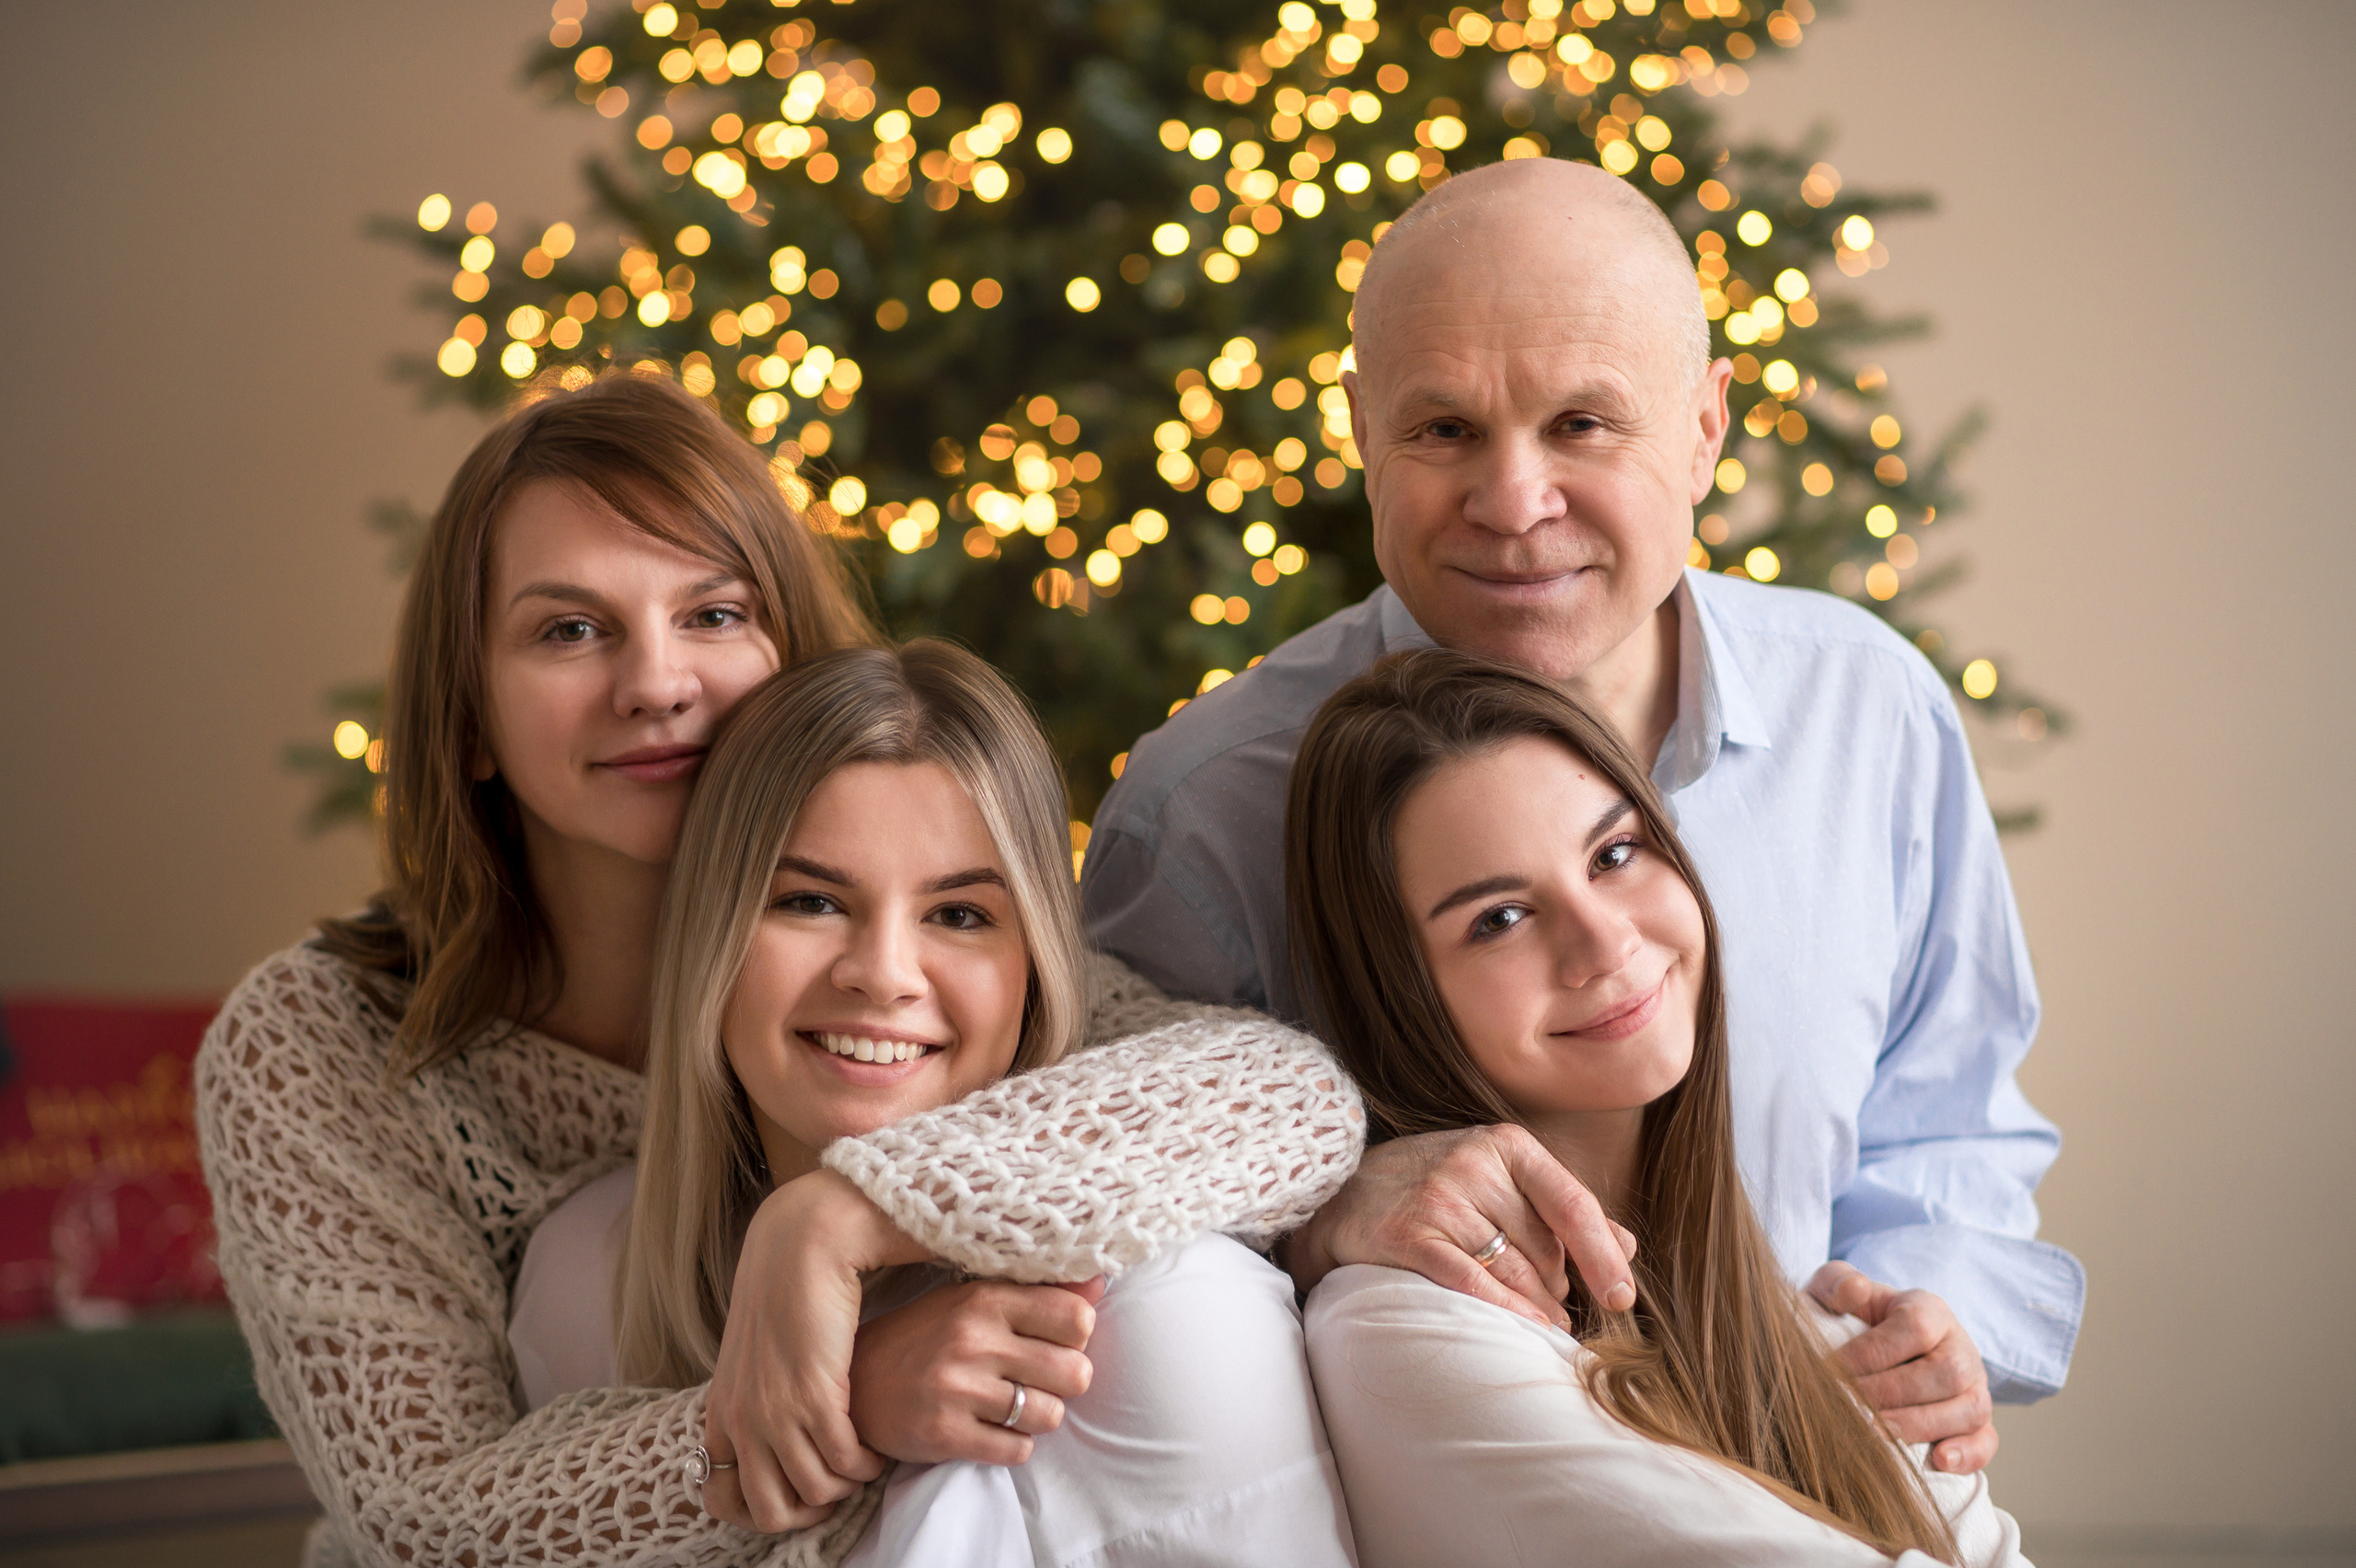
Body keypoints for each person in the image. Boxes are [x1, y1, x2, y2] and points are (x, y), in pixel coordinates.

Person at [195, 373, 1362, 1567]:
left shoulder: (903, 931)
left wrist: (835, 1220)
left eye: (712, 615)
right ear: (471, 719)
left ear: (789, 650)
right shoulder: (319, 1044)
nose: (657, 685)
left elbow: (1268, 1093)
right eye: (570, 630)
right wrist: (836, 1404)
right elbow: (418, 1523)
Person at [1082, 157, 2083, 1472]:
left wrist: (1931, 1310)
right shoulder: (1202, 810)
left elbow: (1947, 1115)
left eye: (1582, 425)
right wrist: (1325, 1210)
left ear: (1707, 426)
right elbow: (1114, 1235)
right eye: (1442, 430)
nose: (1511, 505)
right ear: (1361, 429)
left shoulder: (1872, 710)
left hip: (1818, 1477)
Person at [508, 641, 1357, 1566]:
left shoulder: (1155, 1319)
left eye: (957, 915)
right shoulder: (581, 1280)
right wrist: (849, 1403)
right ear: (711, 933)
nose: (882, 975)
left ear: (1033, 968)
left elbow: (1303, 1093)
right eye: (808, 901)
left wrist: (834, 1216)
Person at [1289, 648, 2028, 1566]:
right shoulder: (1410, 1336)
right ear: (1401, 996)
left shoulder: (1809, 1325)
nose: (1603, 941)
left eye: (1615, 853)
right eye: (1498, 919)